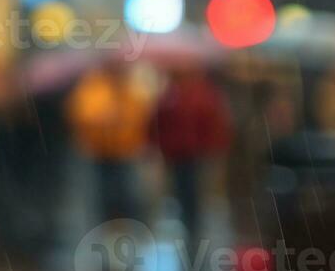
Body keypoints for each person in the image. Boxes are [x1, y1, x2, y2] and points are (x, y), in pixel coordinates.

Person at [150, 65, 230, 240]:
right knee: (182, 190)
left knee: (195, 191)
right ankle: (189, 224)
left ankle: (194, 226)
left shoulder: (204, 96)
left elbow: (214, 125)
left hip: (197, 154)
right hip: (177, 154)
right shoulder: (170, 96)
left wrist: (213, 148)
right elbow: (158, 123)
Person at [66, 61, 151, 224]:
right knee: (102, 189)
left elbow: (139, 115)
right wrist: (102, 119)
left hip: (125, 148)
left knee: (126, 188)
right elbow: (79, 114)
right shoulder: (92, 87)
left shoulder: (130, 88)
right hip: (98, 149)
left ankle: (127, 220)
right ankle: (106, 220)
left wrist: (123, 121)